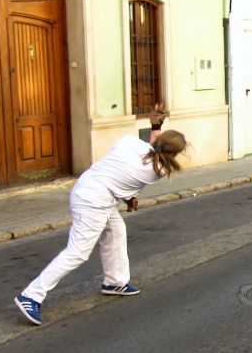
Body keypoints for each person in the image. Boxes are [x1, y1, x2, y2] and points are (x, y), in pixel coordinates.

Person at [14, 104, 187, 325]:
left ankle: (115, 281)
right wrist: (128, 196)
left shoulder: (129, 142)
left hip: (88, 186)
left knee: (116, 231)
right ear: (175, 155)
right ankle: (31, 295)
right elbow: (152, 158)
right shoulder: (157, 172)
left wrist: (155, 125)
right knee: (77, 252)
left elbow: (150, 149)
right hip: (94, 202)